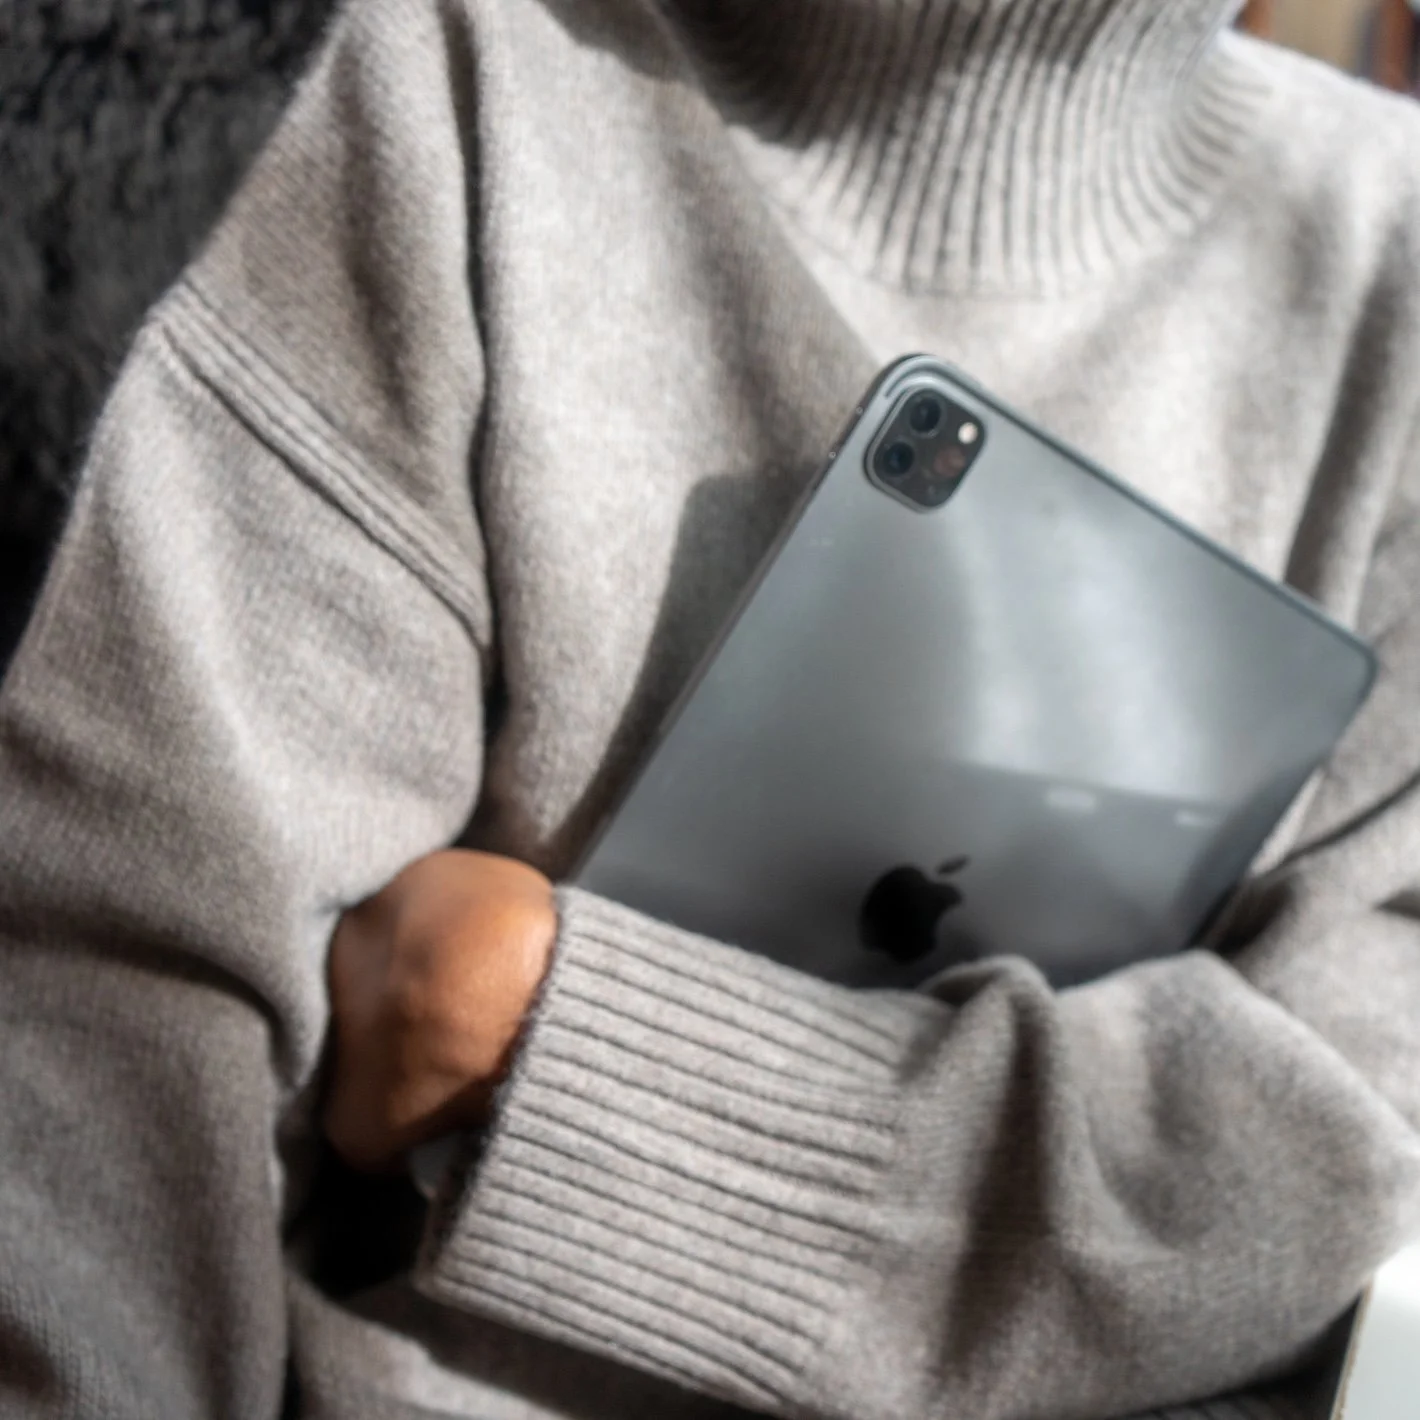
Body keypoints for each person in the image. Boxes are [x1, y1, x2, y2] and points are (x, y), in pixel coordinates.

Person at [3, 0, 1420, 1416]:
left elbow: (1362, 1158)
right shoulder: (431, 82)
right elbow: (110, 1091)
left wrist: (553, 1055)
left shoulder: (1396, 260)